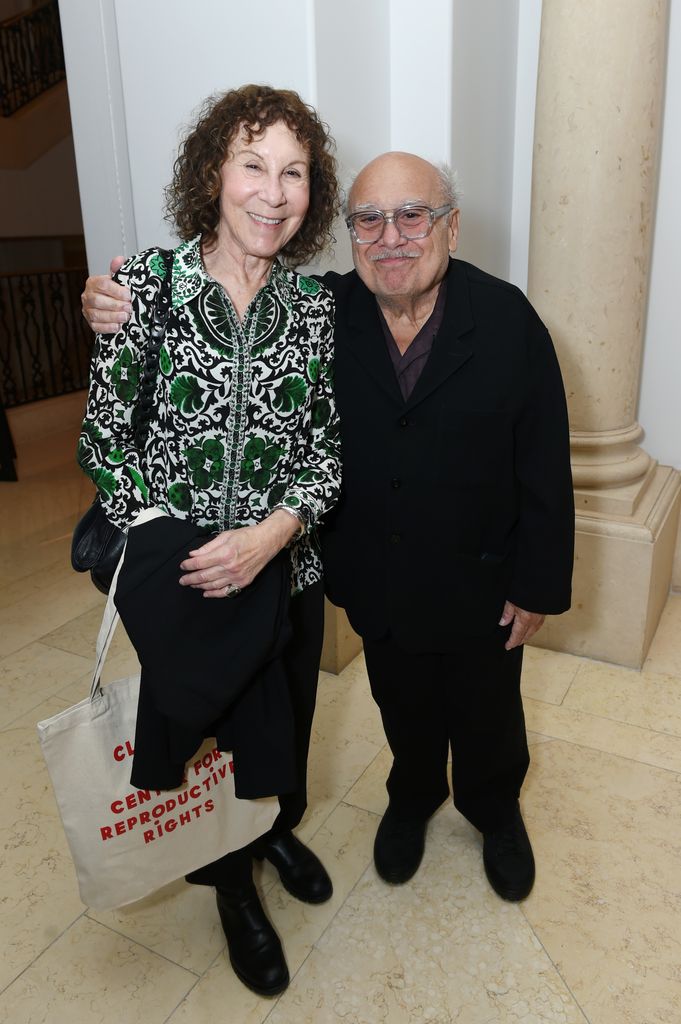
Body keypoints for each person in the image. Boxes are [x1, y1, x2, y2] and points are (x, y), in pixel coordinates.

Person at [82, 149, 574, 910]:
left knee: (487, 711)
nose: (391, 237)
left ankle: (491, 806)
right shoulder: (324, 311)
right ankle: (411, 795)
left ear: (451, 226)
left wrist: (536, 583)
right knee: (401, 702)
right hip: (379, 579)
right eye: (368, 221)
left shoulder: (507, 319)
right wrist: (106, 298)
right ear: (347, 234)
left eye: (413, 215)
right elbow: (226, 297)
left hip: (481, 577)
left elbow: (543, 464)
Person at [77, 84, 341, 998]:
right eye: (252, 165)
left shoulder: (313, 311)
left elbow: (324, 456)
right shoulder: (144, 287)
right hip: (183, 584)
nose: (272, 192)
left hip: (284, 572)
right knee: (211, 749)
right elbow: (104, 441)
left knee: (287, 726)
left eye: (294, 172)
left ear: (314, 193)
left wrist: (268, 538)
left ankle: (276, 833)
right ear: (212, 175)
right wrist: (186, 553)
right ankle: (232, 886)